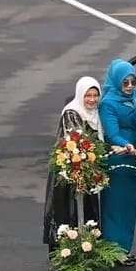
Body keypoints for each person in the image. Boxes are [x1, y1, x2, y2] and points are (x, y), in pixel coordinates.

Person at [43, 76, 104, 253]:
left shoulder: (94, 113)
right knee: (67, 212)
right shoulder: (72, 113)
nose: (92, 100)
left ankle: (87, 249)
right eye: (88, 95)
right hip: (69, 173)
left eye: (95, 95)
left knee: (87, 212)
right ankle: (66, 252)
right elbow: (77, 141)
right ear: (80, 95)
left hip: (86, 172)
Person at [99, 59, 136, 266]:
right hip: (118, 159)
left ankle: (125, 248)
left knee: (130, 206)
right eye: (125, 83)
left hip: (134, 161)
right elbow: (112, 133)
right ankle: (113, 251)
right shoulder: (108, 103)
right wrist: (127, 144)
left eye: (133, 81)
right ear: (116, 82)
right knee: (115, 207)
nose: (130, 86)